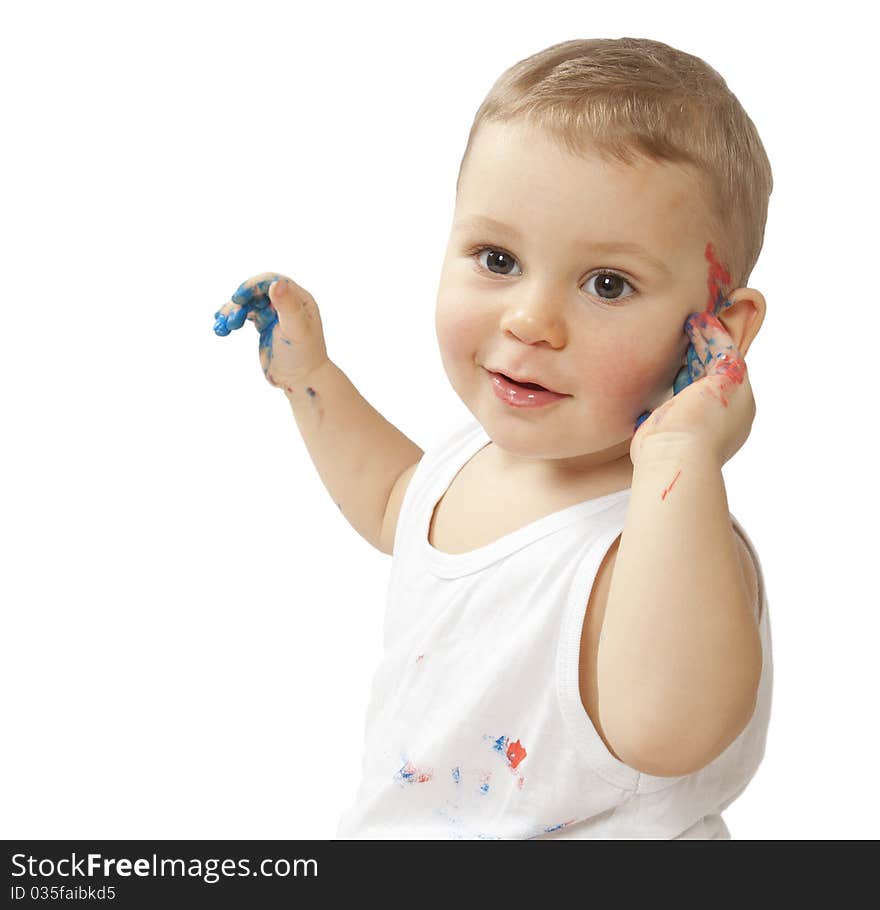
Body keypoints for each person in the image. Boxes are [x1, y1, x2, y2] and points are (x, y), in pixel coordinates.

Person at [213, 36, 774, 839]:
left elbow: (668, 729)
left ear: (717, 331)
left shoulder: (668, 543)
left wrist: (682, 454)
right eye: (498, 258)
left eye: (607, 284)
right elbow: (395, 505)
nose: (530, 320)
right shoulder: (475, 460)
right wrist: (313, 381)